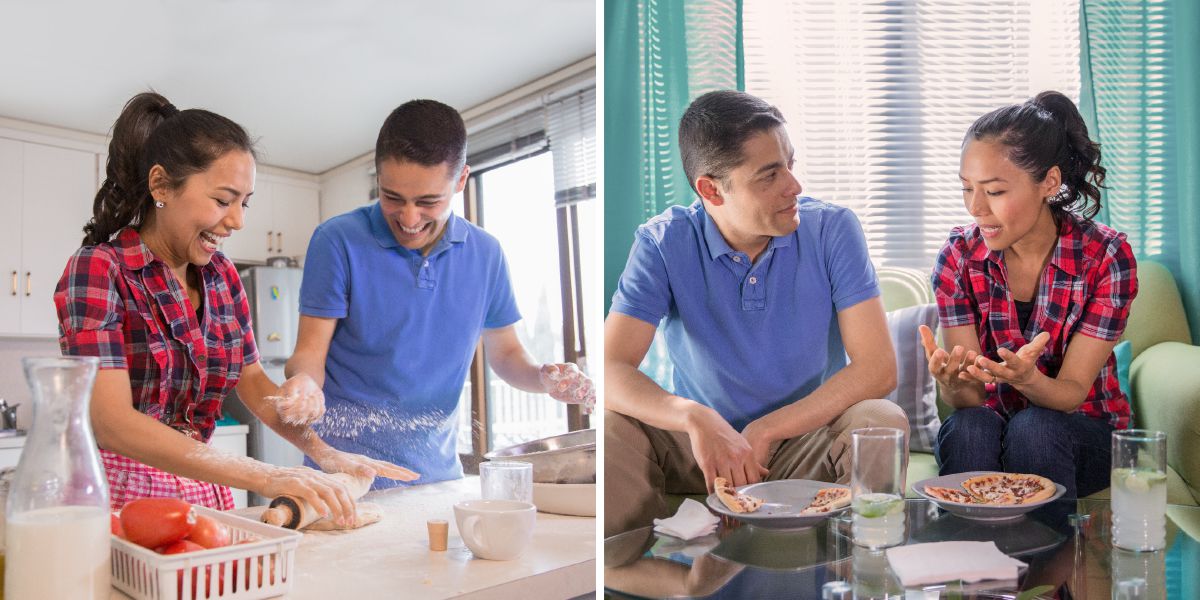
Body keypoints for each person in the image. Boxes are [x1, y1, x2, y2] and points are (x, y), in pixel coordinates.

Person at [55, 92, 416, 523]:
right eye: (223, 200)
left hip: (206, 493)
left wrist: (326, 454)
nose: (238, 221)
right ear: (160, 186)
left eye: (245, 202)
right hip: (116, 501)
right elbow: (111, 422)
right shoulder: (100, 269)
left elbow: (255, 385)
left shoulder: (222, 277)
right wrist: (265, 476)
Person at [605, 90, 906, 537]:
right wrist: (696, 418)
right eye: (769, 175)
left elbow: (878, 369)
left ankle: (863, 567)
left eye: (790, 164)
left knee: (881, 420)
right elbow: (612, 369)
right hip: (703, 449)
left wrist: (766, 429)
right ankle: (640, 575)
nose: (794, 186)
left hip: (805, 441)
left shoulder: (833, 229)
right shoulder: (662, 243)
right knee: (611, 429)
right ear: (711, 189)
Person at [284, 99, 594, 487]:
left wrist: (545, 379)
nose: (409, 219)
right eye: (392, 197)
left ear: (461, 180)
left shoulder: (486, 253)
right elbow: (309, 354)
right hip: (343, 477)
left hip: (438, 478)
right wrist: (304, 386)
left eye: (429, 201)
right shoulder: (337, 241)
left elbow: (508, 355)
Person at [922, 90, 1137, 500]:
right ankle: (966, 561)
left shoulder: (1107, 258)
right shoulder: (958, 258)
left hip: (1083, 429)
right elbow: (969, 399)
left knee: (1033, 427)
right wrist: (951, 383)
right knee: (969, 426)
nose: (975, 208)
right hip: (993, 425)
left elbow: (1072, 391)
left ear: (1049, 182)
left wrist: (1029, 380)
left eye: (995, 191)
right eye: (967, 188)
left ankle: (1048, 563)